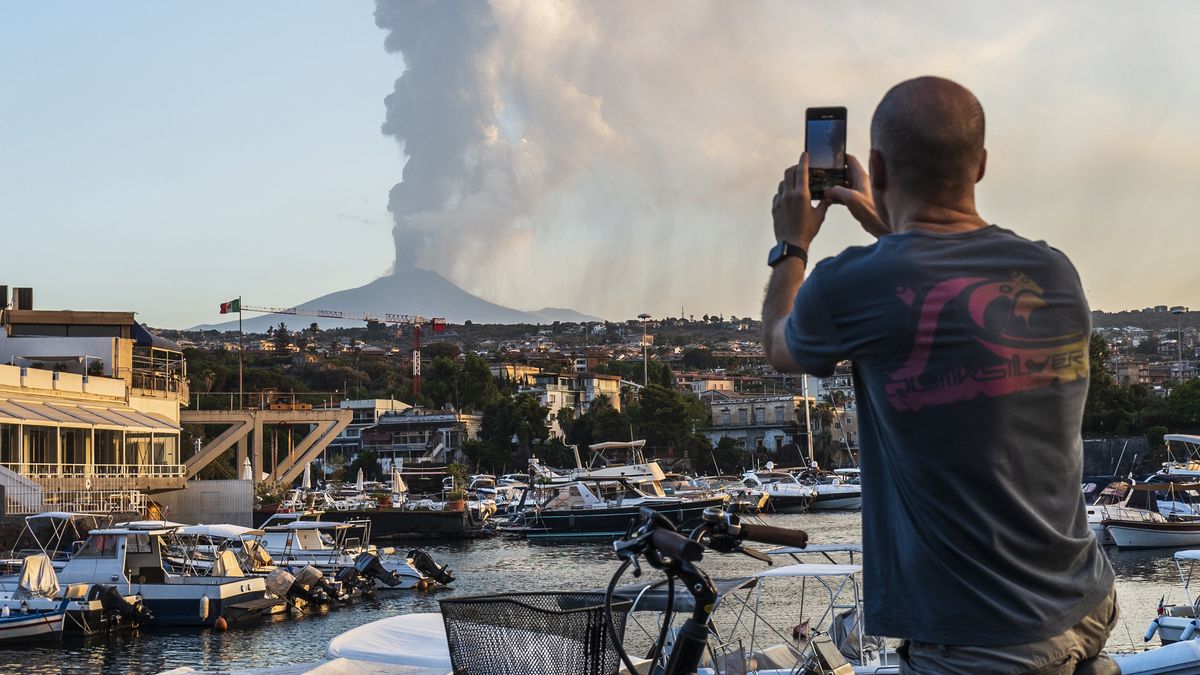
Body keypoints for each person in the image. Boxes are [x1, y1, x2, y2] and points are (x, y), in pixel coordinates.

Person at [761, 76, 1117, 674]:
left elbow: (778, 343)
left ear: (876, 164)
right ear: (980, 165)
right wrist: (892, 224)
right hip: (1083, 601)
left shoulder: (850, 284)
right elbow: (940, 280)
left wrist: (791, 245)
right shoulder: (1054, 272)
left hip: (981, 639)